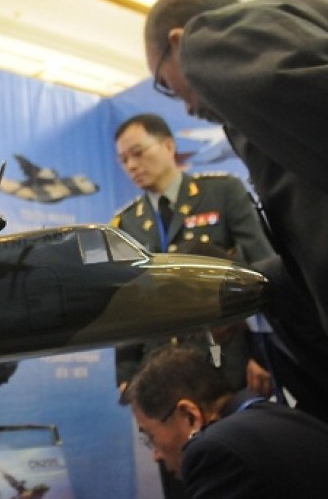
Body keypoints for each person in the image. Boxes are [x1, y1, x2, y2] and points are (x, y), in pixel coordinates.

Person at [142, 0, 328, 339]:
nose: (186, 107)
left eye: (166, 84)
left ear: (178, 41)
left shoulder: (208, 39)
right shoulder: (297, 18)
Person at [111, 112, 275, 498]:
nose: (132, 165)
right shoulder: (125, 224)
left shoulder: (222, 193)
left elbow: (264, 271)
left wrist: (263, 352)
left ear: (168, 146)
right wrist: (127, 371)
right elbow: (123, 305)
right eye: (124, 160)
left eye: (138, 153)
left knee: (234, 470)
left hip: (224, 368)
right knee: (178, 475)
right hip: (159, 377)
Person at [124, 345, 328, 498]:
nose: (156, 455)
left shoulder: (215, 452)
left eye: (151, 437)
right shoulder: (268, 418)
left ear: (189, 415)